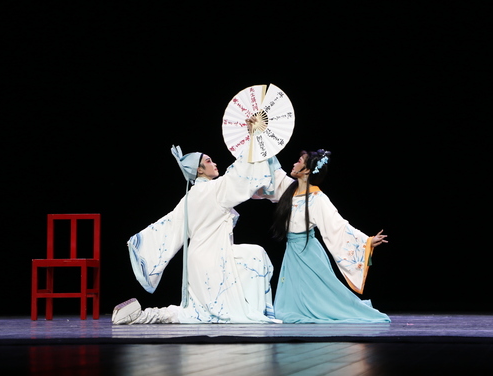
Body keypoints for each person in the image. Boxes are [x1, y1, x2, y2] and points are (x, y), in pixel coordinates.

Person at [112, 118, 283, 324]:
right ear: (199, 170)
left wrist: (139, 242)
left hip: (197, 261)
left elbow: (167, 227)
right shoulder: (212, 190)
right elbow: (239, 174)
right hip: (214, 258)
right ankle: (248, 309)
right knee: (256, 255)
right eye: (209, 161)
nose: (214, 163)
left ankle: (147, 315)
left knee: (201, 307)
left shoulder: (190, 196)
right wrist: (254, 138)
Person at [259, 149, 391, 323]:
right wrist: (261, 145)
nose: (294, 164)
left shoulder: (317, 198)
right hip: (292, 251)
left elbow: (337, 225)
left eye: (299, 161)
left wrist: (367, 241)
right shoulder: (289, 188)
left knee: (322, 294)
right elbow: (274, 171)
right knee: (295, 298)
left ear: (307, 170)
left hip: (308, 251)